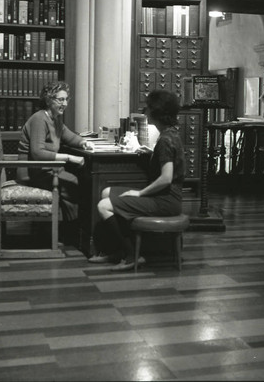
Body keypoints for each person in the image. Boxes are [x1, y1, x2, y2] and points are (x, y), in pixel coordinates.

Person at [89, 89, 185, 271]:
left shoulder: (165, 140)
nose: (145, 112)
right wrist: (151, 154)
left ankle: (132, 254)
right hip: (167, 198)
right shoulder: (171, 134)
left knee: (103, 206)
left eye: (148, 108)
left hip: (165, 201)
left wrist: (139, 193)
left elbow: (166, 178)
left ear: (157, 113)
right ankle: (117, 250)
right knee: (105, 192)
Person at [17, 81, 94, 222]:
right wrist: (69, 158)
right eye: (60, 99)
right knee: (74, 183)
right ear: (48, 100)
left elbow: (69, 136)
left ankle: (69, 228)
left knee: (78, 181)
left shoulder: (55, 119)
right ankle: (70, 230)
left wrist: (83, 142)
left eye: (66, 99)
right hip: (32, 172)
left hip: (47, 170)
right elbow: (37, 153)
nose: (64, 103)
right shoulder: (40, 118)